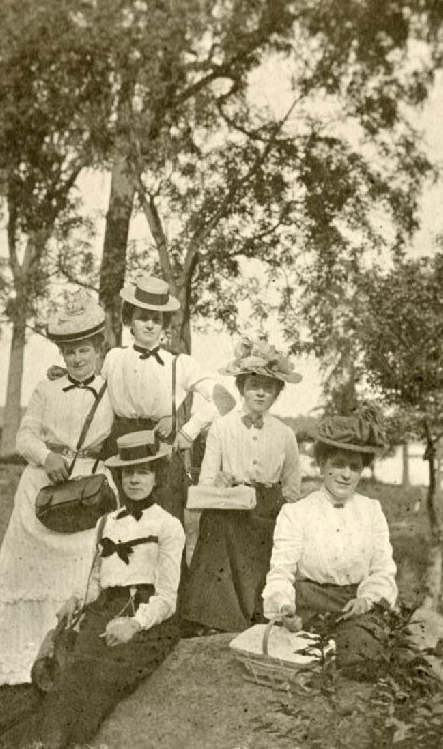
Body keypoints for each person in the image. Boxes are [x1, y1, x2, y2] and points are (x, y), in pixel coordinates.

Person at [0, 293, 114, 686]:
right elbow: (24, 437)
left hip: (90, 487)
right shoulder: (47, 389)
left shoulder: (113, 389)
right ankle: (21, 653)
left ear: (99, 349)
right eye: (70, 352)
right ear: (61, 353)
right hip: (46, 487)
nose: (77, 359)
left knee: (81, 568)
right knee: (31, 571)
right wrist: (47, 456)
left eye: (84, 350)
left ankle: (65, 651)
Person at [0, 430, 185, 749]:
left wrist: (134, 624)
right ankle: (46, 743)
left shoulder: (168, 525)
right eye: (128, 472)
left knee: (101, 677)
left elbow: (168, 598)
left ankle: (63, 742)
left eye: (143, 472)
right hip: (104, 609)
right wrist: (76, 598)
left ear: (157, 477)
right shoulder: (107, 522)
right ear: (119, 477)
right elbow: (96, 579)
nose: (134, 480)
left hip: (147, 619)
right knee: (74, 671)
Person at [262, 405, 398, 676]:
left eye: (354, 467)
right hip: (307, 605)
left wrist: (367, 600)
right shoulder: (296, 513)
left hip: (354, 606)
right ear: (322, 464)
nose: (346, 474)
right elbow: (281, 571)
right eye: (338, 464)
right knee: (296, 655)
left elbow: (383, 569)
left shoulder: (371, 511)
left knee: (358, 656)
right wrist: (285, 606)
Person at [180, 338, 303, 632]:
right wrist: (220, 482)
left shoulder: (285, 434)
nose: (260, 393)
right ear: (241, 388)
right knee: (217, 526)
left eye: (268, 388)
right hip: (230, 505)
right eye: (253, 385)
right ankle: (217, 618)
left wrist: (280, 507)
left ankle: (262, 612)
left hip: (268, 509)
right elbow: (206, 481)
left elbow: (292, 489)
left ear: (276, 393)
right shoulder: (221, 427)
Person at [101, 275, 232, 522]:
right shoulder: (114, 358)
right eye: (143, 317)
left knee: (165, 525)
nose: (150, 325)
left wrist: (187, 431)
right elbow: (97, 400)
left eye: (157, 319)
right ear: (129, 319)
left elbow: (225, 400)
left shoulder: (179, 363)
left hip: (161, 451)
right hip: (120, 450)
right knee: (119, 525)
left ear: (165, 324)